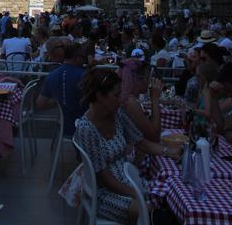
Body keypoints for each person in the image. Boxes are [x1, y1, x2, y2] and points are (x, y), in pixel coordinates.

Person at [75, 68, 181, 225]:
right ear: (100, 96)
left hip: (129, 181)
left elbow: (142, 143)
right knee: (154, 213)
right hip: (105, 193)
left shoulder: (117, 114)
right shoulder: (86, 129)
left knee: (171, 198)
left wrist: (170, 151)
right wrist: (138, 193)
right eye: (116, 95)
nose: (121, 99)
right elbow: (105, 179)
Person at [36, 42, 87, 135]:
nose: (84, 60)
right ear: (77, 57)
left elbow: (40, 104)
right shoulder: (85, 76)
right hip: (86, 128)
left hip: (64, 128)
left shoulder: (51, 76)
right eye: (84, 57)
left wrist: (61, 100)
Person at [119, 58, 161, 142]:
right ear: (139, 79)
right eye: (147, 77)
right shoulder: (130, 101)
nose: (149, 81)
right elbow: (154, 137)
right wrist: (155, 99)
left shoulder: (127, 97)